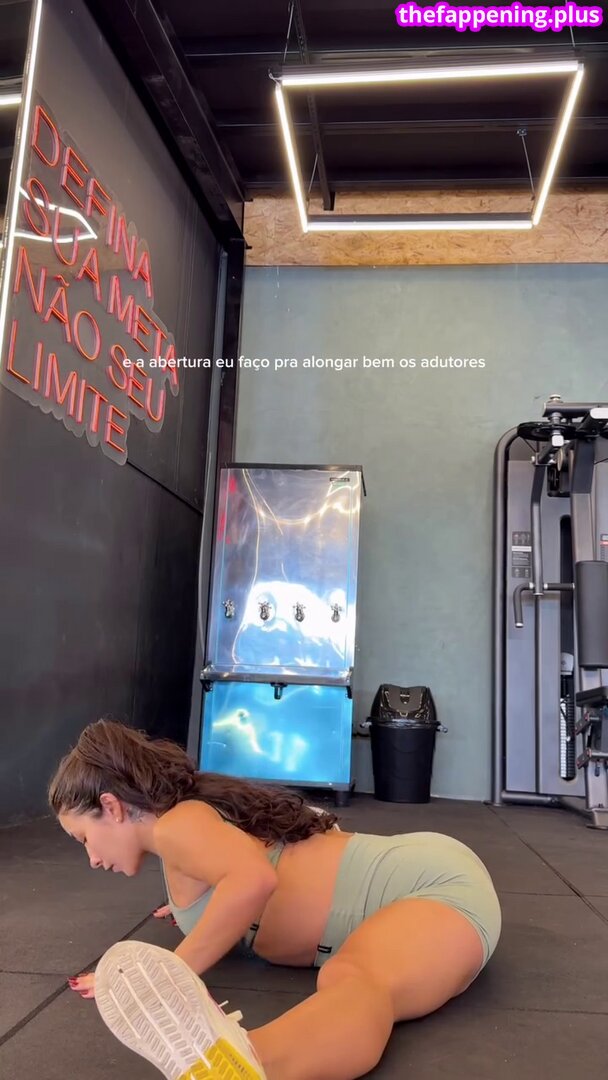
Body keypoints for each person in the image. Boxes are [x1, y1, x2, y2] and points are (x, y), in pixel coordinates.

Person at [49, 719, 502, 1080]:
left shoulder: (176, 827)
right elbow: (251, 868)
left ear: (112, 807)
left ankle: (245, 1064)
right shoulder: (184, 832)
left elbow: (253, 880)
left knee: (356, 979)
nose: (92, 858)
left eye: (84, 838)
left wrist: (165, 975)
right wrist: (195, 916)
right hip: (413, 867)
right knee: (353, 972)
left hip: (434, 887)